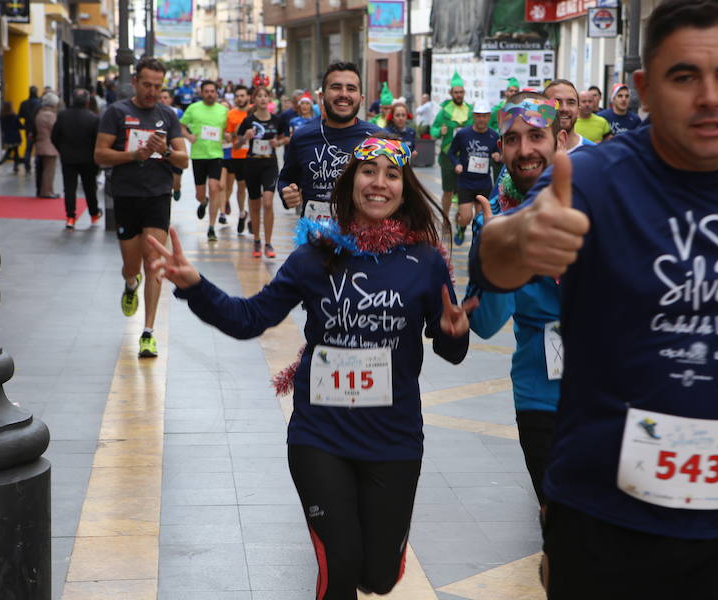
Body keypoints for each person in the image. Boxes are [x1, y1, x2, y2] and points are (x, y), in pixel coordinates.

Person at [469, 1, 718, 597]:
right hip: (604, 523)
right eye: (685, 76)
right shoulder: (594, 178)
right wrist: (516, 237)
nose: (710, 96)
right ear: (644, 87)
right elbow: (500, 256)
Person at [148, 135, 474, 600]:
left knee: (378, 577)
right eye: (368, 171)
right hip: (320, 435)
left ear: (404, 188)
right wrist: (195, 286)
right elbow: (249, 319)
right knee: (339, 565)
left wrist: (453, 332)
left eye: (391, 174)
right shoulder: (315, 256)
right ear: (350, 182)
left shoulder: (424, 262)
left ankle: (378, 566)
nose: (378, 183)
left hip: (394, 437)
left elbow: (452, 351)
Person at [466, 91, 565, 509]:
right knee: (559, 524)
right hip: (540, 397)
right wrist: (498, 256)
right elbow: (485, 324)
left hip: (609, 393)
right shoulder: (495, 227)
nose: (525, 150)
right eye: (512, 139)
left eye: (536, 136)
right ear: (501, 149)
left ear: (559, 139)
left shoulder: (606, 207)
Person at [94, 57, 189, 358]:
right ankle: (130, 284)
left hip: (157, 196)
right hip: (127, 196)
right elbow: (100, 155)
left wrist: (167, 151)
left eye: (158, 86)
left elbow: (184, 160)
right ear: (135, 82)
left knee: (154, 262)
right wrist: (135, 155)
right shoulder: (116, 112)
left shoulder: (168, 115)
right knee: (132, 266)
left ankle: (147, 332)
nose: (152, 91)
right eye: (147, 85)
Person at [278, 62, 382, 221]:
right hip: (314, 238)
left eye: (351, 89)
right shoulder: (302, 137)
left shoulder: (378, 138)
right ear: (321, 97)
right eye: (336, 87)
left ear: (361, 99)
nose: (344, 94)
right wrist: (287, 192)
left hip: (363, 239)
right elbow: (286, 178)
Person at [235, 86, 288, 258]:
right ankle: (257, 240)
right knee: (255, 204)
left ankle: (268, 243)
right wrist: (246, 137)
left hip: (270, 164)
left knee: (268, 202)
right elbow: (235, 144)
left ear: (270, 99)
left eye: (266, 96)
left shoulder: (277, 120)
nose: (263, 99)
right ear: (254, 100)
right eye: (259, 96)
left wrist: (278, 143)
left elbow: (286, 137)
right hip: (252, 163)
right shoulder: (248, 121)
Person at [181, 79, 229, 242]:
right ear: (201, 93)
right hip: (198, 155)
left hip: (216, 155)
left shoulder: (223, 111)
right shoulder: (193, 108)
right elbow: (181, 126)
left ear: (217, 93)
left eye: (212, 91)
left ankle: (211, 227)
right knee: (199, 194)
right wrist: (188, 136)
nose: (210, 94)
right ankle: (203, 202)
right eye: (206, 91)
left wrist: (227, 136)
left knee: (214, 187)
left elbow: (228, 131)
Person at [447, 100, 499, 245]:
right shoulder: (463, 134)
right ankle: (461, 228)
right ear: (473, 116)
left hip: (484, 182)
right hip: (465, 181)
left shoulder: (494, 136)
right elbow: (451, 153)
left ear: (489, 117)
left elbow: (499, 153)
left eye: (484, 116)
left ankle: (477, 244)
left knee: (481, 219)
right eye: (478, 116)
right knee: (466, 217)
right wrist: (456, 164)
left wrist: (497, 156)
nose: (481, 119)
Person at [51, 88, 102, 229]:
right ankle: (94, 214)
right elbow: (97, 140)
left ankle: (70, 217)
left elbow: (54, 136)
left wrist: (62, 150)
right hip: (88, 159)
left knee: (69, 188)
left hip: (68, 158)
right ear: (87, 102)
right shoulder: (93, 118)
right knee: (90, 187)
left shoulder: (62, 115)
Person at [431, 71, 474, 219]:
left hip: (466, 156)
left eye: (461, 92)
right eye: (456, 92)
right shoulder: (444, 111)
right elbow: (433, 129)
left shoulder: (470, 110)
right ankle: (445, 218)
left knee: (464, 191)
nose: (459, 95)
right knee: (448, 191)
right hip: (448, 156)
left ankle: (461, 219)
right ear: (451, 93)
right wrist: (440, 131)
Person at [223, 85, 251, 235]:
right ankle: (242, 213)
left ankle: (252, 217)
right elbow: (228, 135)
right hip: (238, 155)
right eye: (237, 96)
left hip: (254, 155)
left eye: (242, 95)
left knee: (255, 188)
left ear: (248, 97)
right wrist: (235, 132)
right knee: (241, 187)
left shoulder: (254, 111)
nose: (240, 98)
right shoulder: (231, 115)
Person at [543, 79, 595, 153]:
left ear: (578, 111)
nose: (564, 109)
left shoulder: (593, 153)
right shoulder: (531, 151)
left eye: (571, 102)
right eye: (556, 102)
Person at [159, 89, 185, 201]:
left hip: (175, 151)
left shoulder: (177, 112)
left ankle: (177, 188)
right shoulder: (153, 113)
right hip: (161, 153)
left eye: (165, 97)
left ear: (171, 100)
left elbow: (182, 128)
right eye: (160, 98)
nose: (163, 100)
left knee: (176, 181)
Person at [34, 92, 60, 199]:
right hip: (49, 145)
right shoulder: (50, 115)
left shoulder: (40, 113)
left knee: (43, 170)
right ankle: (47, 192)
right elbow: (55, 130)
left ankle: (46, 190)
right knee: (49, 171)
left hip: (41, 143)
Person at [18, 86, 41, 174]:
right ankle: (37, 165)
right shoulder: (40, 103)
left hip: (28, 128)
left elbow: (20, 115)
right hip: (38, 128)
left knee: (28, 148)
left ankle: (27, 167)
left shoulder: (24, 103)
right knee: (38, 148)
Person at [0, 101, 22, 173]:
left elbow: (2, 127)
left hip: (7, 136)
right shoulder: (14, 116)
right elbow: (20, 126)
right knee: (15, 151)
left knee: (11, 149)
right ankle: (15, 165)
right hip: (15, 136)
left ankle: (5, 159)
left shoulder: (2, 117)